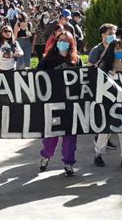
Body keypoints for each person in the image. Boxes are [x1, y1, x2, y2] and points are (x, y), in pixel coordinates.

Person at [38, 31, 82, 177]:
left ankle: (69, 163)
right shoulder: (47, 60)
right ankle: (45, 156)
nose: (63, 42)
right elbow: (36, 79)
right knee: (51, 136)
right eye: (60, 40)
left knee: (70, 137)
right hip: (53, 104)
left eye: (66, 40)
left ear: (71, 43)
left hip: (71, 105)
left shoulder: (77, 61)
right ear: (56, 42)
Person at [94, 39, 122, 169]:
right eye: (117, 49)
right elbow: (98, 82)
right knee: (105, 131)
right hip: (108, 104)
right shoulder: (105, 64)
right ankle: (98, 154)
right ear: (111, 50)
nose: (120, 51)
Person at [87, 23, 120, 150]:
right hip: (99, 86)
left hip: (114, 85)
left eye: (114, 33)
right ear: (103, 35)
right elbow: (90, 68)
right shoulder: (96, 50)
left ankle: (107, 139)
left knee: (111, 113)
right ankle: (99, 139)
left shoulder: (117, 48)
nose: (113, 36)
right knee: (102, 114)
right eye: (110, 34)